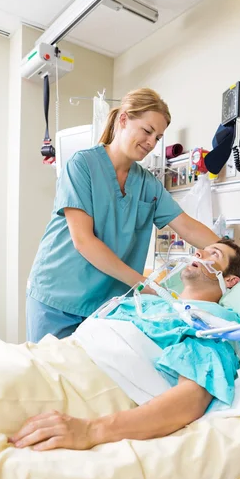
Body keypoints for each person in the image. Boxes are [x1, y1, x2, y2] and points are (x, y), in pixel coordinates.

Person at [0, 240, 240, 452]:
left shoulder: (211, 323)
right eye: (203, 248)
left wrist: (91, 430)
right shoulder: (154, 303)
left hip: (82, 383)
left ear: (230, 280)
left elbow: (191, 399)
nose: (199, 252)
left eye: (213, 254)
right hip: (46, 357)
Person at [26, 87, 220, 343]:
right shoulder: (82, 166)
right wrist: (143, 284)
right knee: (46, 377)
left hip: (104, 307)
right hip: (58, 296)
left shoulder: (147, 184)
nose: (151, 143)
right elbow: (83, 241)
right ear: (124, 119)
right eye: (147, 131)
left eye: (158, 137)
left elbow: (187, 226)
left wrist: (229, 253)